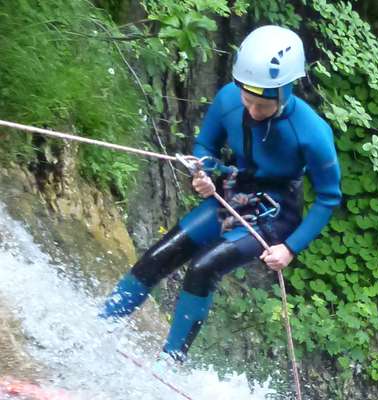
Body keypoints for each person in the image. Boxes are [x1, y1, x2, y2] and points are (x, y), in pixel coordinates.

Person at [100, 25, 342, 362]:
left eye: (263, 105)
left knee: (203, 267)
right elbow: (205, 146)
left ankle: (170, 362)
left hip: (275, 214)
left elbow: (329, 197)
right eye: (248, 101)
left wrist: (289, 248)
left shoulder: (313, 132)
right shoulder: (230, 98)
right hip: (233, 190)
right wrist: (203, 172)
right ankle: (101, 325)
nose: (253, 111)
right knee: (162, 253)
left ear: (286, 91)